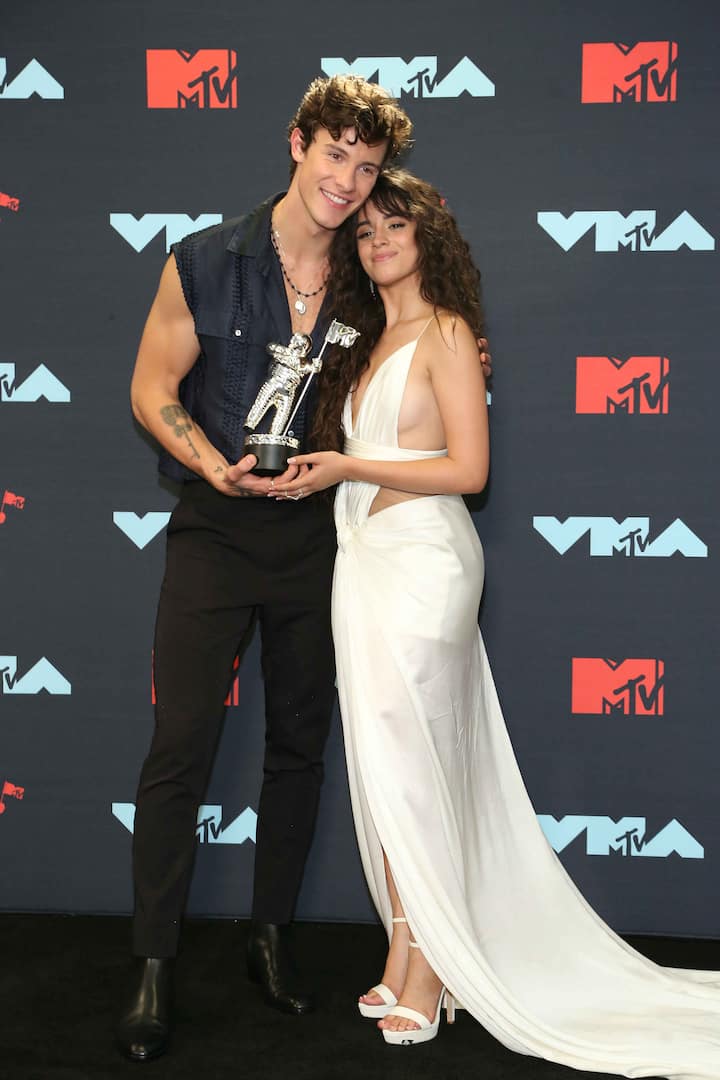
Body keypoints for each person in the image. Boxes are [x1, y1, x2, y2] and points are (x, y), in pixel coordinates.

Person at [275, 170, 720, 1076]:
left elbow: (468, 471)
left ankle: (435, 968)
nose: (378, 243)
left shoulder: (445, 333)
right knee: (387, 767)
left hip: (426, 570)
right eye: (366, 234)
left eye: (395, 227)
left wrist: (349, 465)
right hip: (362, 566)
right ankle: (406, 946)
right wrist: (329, 469)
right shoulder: (362, 341)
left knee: (420, 765)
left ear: (428, 237)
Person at [114, 75, 415, 1063]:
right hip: (212, 526)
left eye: (366, 167)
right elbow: (153, 388)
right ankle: (153, 966)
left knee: (298, 744)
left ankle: (270, 940)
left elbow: (424, 358)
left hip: (315, 538)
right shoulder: (204, 260)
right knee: (181, 746)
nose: (347, 180)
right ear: (297, 143)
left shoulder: (371, 282)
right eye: (335, 154)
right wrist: (213, 465)